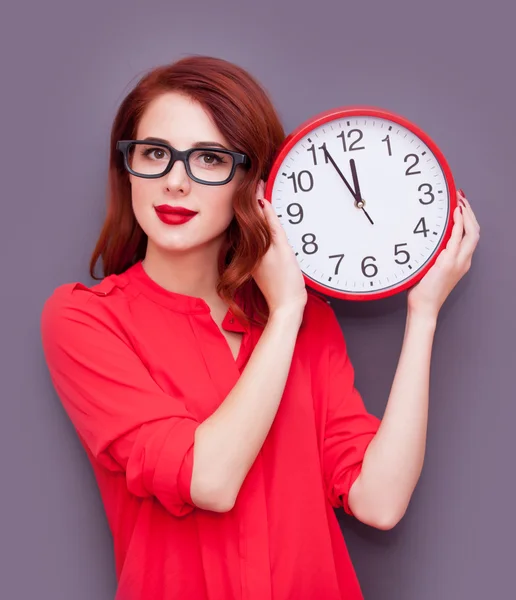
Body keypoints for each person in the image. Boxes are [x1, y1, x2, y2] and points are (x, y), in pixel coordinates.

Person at [40, 55, 480, 600]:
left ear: (252, 181)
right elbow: (209, 480)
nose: (175, 183)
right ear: (127, 167)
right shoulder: (87, 321)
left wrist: (424, 313)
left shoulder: (307, 322)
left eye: (209, 158)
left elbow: (379, 501)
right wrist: (287, 312)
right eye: (155, 153)